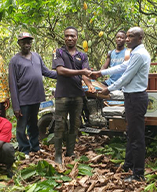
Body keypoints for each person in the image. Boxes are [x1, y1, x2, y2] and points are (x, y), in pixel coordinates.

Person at [91, 27, 151, 182]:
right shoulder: (135, 53)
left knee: (137, 138)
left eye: (131, 37)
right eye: (127, 36)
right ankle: (128, 165)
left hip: (136, 98)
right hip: (132, 97)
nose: (127, 39)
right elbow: (122, 67)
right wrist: (101, 73)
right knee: (131, 133)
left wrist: (108, 89)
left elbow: (126, 77)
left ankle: (138, 174)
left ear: (140, 38)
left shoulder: (139, 54)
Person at [9, 32, 57, 157]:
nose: (27, 44)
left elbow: (45, 71)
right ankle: (24, 150)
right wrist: (16, 106)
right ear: (19, 43)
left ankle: (35, 147)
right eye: (24, 41)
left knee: (33, 124)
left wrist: (62, 74)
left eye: (29, 41)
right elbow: (12, 84)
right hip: (23, 99)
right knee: (21, 126)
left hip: (36, 98)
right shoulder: (15, 61)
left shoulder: (36, 56)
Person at [52, 26, 95, 164]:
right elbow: (60, 71)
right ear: (64, 37)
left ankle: (70, 152)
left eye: (72, 36)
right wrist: (81, 72)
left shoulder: (82, 55)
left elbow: (86, 73)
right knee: (59, 124)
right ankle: (58, 154)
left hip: (77, 95)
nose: (69, 38)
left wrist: (89, 84)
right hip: (62, 95)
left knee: (75, 124)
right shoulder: (58, 52)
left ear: (77, 37)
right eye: (67, 36)